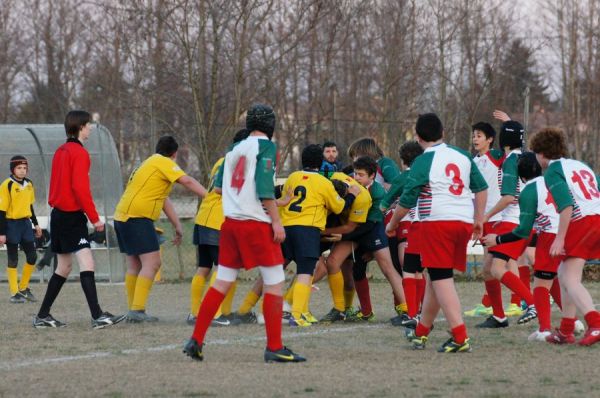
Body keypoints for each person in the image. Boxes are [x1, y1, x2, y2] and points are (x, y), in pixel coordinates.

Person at [183, 104, 305, 362]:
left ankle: (196, 338)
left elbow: (217, 188)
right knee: (274, 281)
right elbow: (264, 189)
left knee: (222, 281)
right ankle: (274, 347)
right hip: (255, 224)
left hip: (230, 224)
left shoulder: (233, 150)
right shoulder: (267, 147)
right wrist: (277, 221)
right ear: (270, 126)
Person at [386, 113, 488, 353]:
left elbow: (408, 200)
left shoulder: (423, 161)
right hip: (462, 221)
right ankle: (422, 331)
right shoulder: (462, 155)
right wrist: (478, 219)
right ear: (443, 133)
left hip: (437, 221)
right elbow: (481, 188)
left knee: (442, 280)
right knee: (435, 277)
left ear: (418, 136)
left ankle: (460, 336)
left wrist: (392, 224)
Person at [33, 110, 124, 329]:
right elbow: (81, 189)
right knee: (87, 262)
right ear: (81, 127)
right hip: (71, 217)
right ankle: (97, 316)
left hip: (59, 216)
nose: (90, 128)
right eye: (88, 125)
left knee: (63, 267)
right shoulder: (80, 153)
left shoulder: (60, 151)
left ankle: (43, 316)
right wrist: (95, 219)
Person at [114, 135, 207, 322]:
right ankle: (137, 311)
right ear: (174, 154)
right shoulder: (162, 162)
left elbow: (164, 200)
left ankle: (134, 310)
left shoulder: (148, 164)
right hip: (137, 218)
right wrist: (211, 196)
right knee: (153, 263)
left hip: (122, 216)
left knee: (135, 264)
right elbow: (187, 181)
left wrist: (177, 225)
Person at [483, 152, 568, 341]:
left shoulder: (528, 190)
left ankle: (542, 325)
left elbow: (522, 230)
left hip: (548, 234)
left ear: (520, 175)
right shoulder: (552, 181)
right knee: (555, 278)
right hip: (567, 229)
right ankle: (574, 322)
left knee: (539, 281)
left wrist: (497, 239)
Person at [529, 127, 600, 346]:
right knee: (564, 274)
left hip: (582, 221)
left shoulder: (551, 171)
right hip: (596, 217)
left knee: (570, 279)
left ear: (541, 153)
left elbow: (567, 206)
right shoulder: (579, 165)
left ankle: (595, 324)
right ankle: (566, 330)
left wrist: (560, 238)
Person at [280, 144, 356, 327]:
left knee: (277, 270)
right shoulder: (323, 183)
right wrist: (351, 195)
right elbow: (338, 207)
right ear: (320, 162)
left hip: (287, 227)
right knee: (306, 272)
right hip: (307, 229)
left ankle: (300, 311)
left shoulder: (292, 177)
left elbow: (285, 199)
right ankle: (297, 315)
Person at [476, 119, 538, 329]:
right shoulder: (525, 156)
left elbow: (509, 197)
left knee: (497, 268)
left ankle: (532, 303)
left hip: (513, 220)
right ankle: (499, 316)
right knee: (487, 269)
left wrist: (486, 216)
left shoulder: (511, 160)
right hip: (520, 219)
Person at [187, 129, 249, 327]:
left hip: (204, 216)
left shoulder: (222, 161)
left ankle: (196, 313)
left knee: (204, 268)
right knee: (225, 269)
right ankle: (215, 314)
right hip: (218, 221)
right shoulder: (240, 163)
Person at [381, 141, 424, 327]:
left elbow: (384, 203)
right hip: (428, 224)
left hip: (409, 224)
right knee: (418, 271)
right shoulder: (427, 174)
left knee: (408, 268)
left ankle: (412, 312)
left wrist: (387, 206)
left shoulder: (404, 176)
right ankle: (418, 310)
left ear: (402, 159)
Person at [463, 121, 503, 317]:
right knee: (491, 265)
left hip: (498, 216)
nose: (475, 139)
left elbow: (512, 146)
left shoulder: (495, 156)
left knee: (501, 263)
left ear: (490, 139)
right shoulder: (473, 161)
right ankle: (490, 304)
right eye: (474, 136)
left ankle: (525, 301)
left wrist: (507, 121)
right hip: (483, 217)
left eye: (479, 135)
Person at [0, 156, 42, 303]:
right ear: (13, 169)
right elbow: (1, 211)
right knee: (13, 259)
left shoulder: (29, 184)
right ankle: (14, 293)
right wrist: (2, 233)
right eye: (19, 168)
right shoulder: (7, 185)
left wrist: (35, 224)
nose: (22, 171)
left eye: (24, 168)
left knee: (32, 256)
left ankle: (23, 288)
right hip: (11, 225)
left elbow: (30, 206)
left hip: (25, 225)